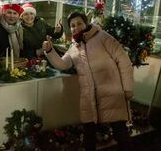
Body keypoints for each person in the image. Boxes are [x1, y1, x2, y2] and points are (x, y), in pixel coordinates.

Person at [42, 11, 134, 151]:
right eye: (72, 25)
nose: (76, 27)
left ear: (86, 23)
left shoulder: (103, 37)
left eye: (79, 23)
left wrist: (128, 88)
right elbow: (62, 64)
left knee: (120, 133)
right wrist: (50, 51)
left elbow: (124, 61)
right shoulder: (74, 47)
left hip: (111, 94)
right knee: (88, 138)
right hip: (89, 97)